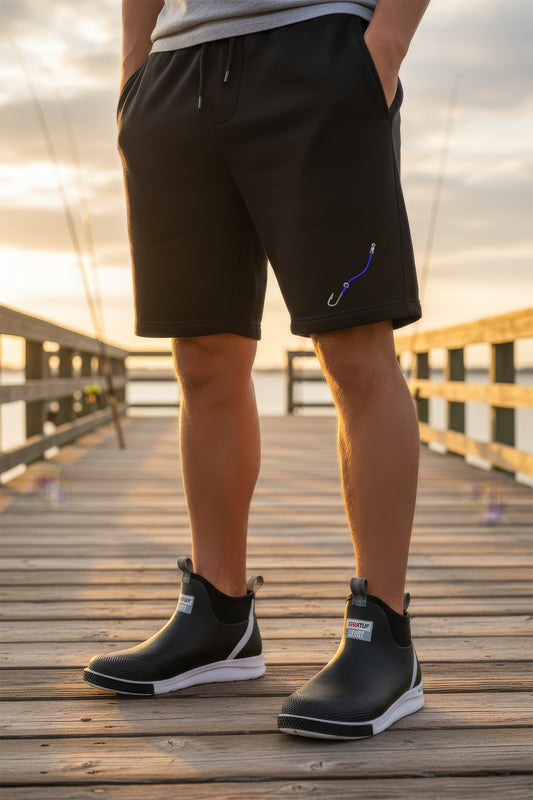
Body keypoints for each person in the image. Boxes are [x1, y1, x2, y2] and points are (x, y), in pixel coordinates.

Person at [83, 0, 430, 739]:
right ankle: (217, 614)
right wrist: (134, 66)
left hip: (320, 54)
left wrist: (387, 38)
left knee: (353, 353)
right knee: (201, 360)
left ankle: (383, 637)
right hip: (175, 78)